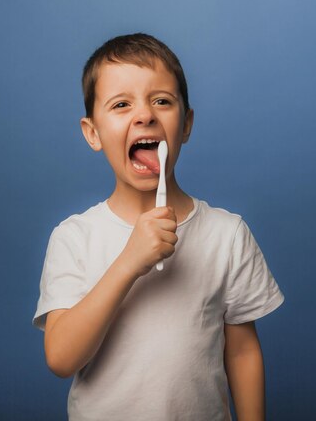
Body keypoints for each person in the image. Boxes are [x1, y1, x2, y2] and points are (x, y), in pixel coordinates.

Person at [32, 33, 284, 421]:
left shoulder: (227, 234)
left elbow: (241, 350)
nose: (145, 115)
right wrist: (129, 262)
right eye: (121, 104)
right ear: (93, 133)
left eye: (162, 101)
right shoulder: (74, 237)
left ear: (186, 124)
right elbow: (61, 358)